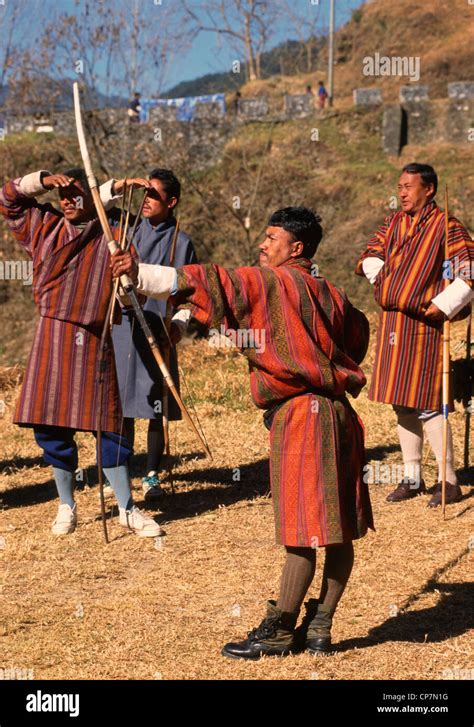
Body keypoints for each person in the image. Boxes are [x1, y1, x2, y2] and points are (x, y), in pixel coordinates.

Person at [111, 207, 374, 659]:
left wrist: (140, 273)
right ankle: (321, 627)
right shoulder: (332, 293)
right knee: (338, 527)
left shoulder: (272, 282)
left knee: (303, 530)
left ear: (296, 248)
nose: (262, 245)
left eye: (271, 238)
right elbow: (359, 335)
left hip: (303, 417)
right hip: (339, 415)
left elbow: (214, 283)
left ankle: (278, 632)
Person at [0, 168, 161, 537]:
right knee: (52, 424)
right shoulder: (43, 224)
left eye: (78, 195)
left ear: (96, 197)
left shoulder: (113, 233)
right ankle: (66, 505)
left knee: (110, 424)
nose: (69, 202)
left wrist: (128, 277)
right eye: (64, 196)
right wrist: (40, 180)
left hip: (94, 336)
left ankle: (126, 507)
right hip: (52, 335)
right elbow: (7, 199)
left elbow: (132, 294)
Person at [356, 163, 473, 507]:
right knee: (401, 402)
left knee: (429, 401)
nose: (402, 193)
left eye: (409, 187)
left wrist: (444, 304)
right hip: (392, 323)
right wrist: (387, 284)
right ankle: (411, 477)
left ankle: (448, 480)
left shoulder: (447, 225)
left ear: (430, 189)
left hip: (425, 325)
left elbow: (468, 271)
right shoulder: (392, 223)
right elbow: (369, 256)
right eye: (400, 186)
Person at [102, 169, 197, 500]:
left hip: (159, 330)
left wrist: (179, 327)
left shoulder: (181, 243)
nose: (146, 200)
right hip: (121, 327)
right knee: (122, 403)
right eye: (144, 193)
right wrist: (122, 185)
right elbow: (96, 202)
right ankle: (121, 469)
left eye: (154, 195)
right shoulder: (126, 228)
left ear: (171, 202)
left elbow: (191, 294)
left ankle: (152, 473)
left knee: (157, 402)